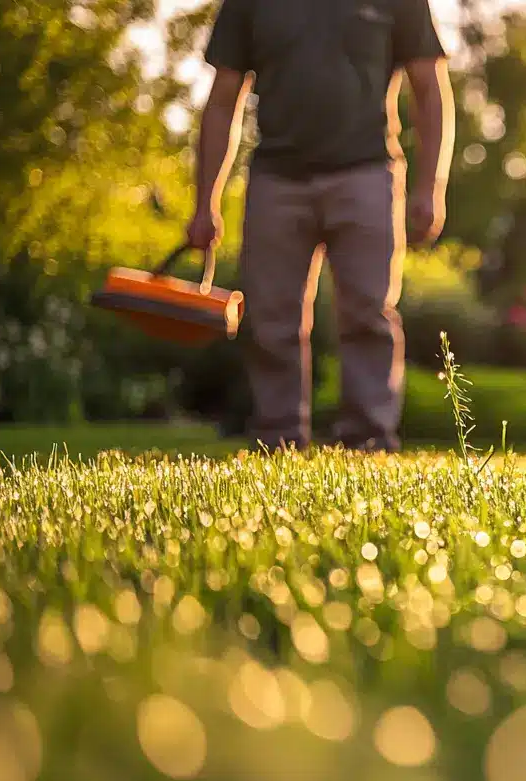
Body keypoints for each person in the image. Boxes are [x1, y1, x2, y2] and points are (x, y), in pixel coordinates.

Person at [187, 0, 455, 453]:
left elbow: (429, 89)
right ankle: (278, 440)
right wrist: (204, 202)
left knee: (369, 313)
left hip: (368, 173)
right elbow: (222, 102)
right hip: (276, 177)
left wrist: (431, 187)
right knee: (272, 320)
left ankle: (370, 441)